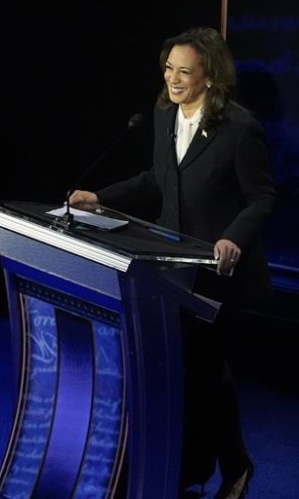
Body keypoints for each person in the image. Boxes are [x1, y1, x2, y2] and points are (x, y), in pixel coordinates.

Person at [69, 26, 274, 499]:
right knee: (180, 369)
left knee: (205, 370)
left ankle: (236, 466)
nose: (174, 79)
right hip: (168, 269)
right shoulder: (164, 115)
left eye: (185, 71)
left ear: (210, 78)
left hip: (219, 274)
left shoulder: (239, 129)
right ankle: (189, 470)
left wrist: (232, 239)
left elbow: (261, 198)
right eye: (169, 68)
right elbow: (156, 180)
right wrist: (100, 198)